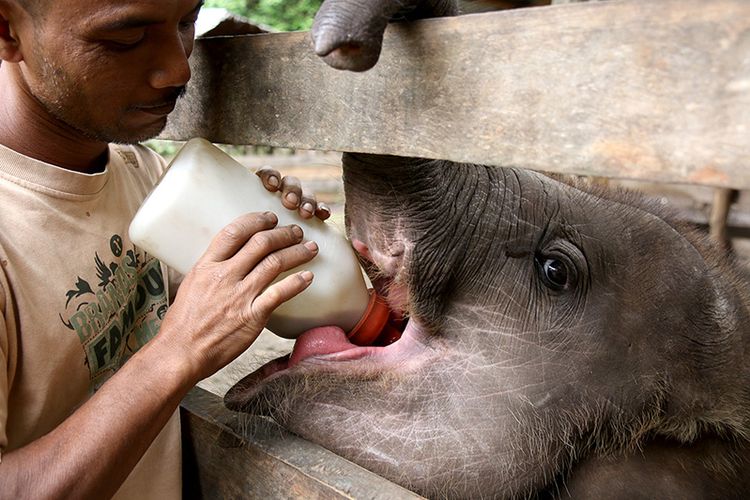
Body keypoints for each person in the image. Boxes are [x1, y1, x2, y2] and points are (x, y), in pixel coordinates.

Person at [0, 0, 329, 497]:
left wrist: (269, 243)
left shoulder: (142, 174)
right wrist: (179, 352)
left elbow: (218, 305)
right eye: (125, 38)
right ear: (8, 29)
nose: (179, 68)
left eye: (186, 21)